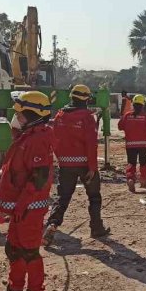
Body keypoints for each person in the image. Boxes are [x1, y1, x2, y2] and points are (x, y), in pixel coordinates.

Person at [0, 91, 56, 291]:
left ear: (33, 115)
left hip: (30, 207)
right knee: (14, 249)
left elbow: (38, 178)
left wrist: (22, 205)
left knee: (29, 252)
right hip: (20, 207)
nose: (15, 117)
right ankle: (15, 290)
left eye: (19, 113)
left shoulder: (37, 140)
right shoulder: (27, 137)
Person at [43, 85, 108, 246]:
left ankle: (52, 224)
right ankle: (96, 228)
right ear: (86, 99)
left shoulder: (60, 115)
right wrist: (92, 167)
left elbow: (55, 140)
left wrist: (63, 160)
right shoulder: (86, 117)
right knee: (94, 197)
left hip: (66, 164)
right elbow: (91, 143)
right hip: (85, 164)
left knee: (62, 197)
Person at [118, 94, 146, 192]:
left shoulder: (127, 115)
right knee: (143, 162)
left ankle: (130, 179)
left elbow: (120, 126)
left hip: (130, 144)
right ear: (143, 105)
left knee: (131, 163)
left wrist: (122, 116)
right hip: (144, 144)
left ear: (133, 104)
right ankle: (143, 180)